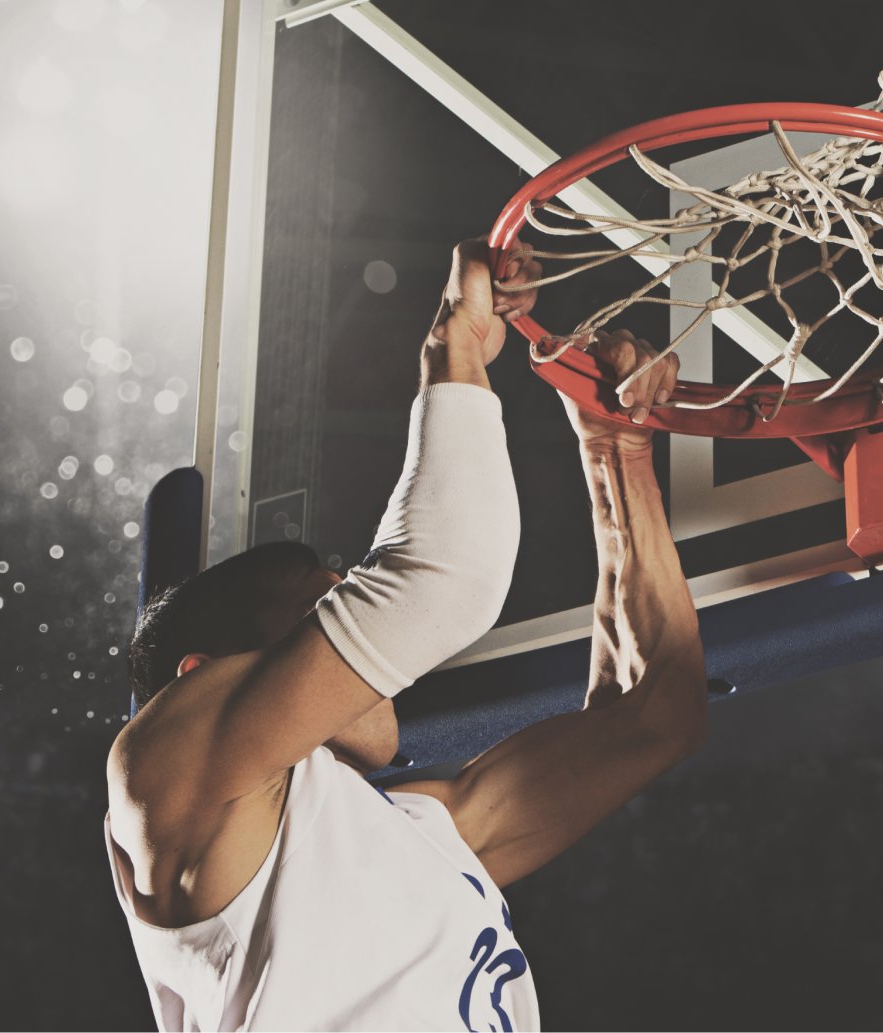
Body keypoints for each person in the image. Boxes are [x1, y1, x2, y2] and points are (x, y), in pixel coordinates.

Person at [104, 240, 704, 1031]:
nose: (362, 620)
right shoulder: (160, 774)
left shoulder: (419, 834)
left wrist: (615, 451)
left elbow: (652, 715)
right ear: (202, 676)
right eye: (328, 604)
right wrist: (451, 349)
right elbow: (439, 580)